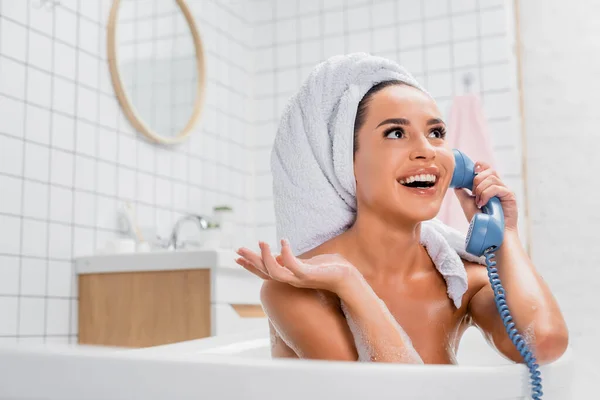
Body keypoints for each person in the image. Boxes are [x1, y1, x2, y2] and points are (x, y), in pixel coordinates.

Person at [234, 58, 568, 365]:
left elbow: (544, 344)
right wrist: (351, 285)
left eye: (436, 133)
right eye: (396, 133)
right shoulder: (297, 287)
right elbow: (394, 395)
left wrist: (506, 235)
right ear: (345, 162)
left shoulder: (459, 281)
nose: (427, 150)